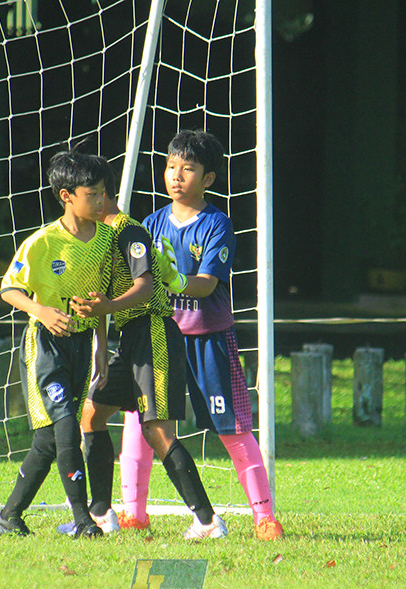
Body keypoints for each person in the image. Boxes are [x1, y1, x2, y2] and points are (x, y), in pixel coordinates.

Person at [117, 130, 283, 540]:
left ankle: (264, 517)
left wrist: (166, 278)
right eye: (171, 166)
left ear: (208, 179)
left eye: (187, 168)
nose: (176, 175)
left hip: (208, 341)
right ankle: (133, 512)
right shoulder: (151, 223)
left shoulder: (217, 224)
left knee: (232, 427)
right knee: (142, 421)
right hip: (158, 338)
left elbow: (206, 284)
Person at [62, 168, 228, 539]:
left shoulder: (129, 231)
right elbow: (99, 299)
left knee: (157, 432)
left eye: (89, 194)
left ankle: (207, 521)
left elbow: (144, 286)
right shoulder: (97, 238)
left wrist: (106, 311)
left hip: (154, 331)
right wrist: (101, 349)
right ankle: (102, 514)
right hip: (127, 339)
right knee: (92, 413)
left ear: (102, 196)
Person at [0, 150, 115, 539]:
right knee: (65, 429)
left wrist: (101, 348)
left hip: (81, 346)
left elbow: (101, 302)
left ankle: (8, 516)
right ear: (66, 195)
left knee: (47, 440)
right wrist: (41, 310)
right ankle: (82, 520)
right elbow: (9, 288)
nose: (100, 201)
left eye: (103, 193)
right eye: (91, 193)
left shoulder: (106, 241)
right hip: (45, 347)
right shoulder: (43, 242)